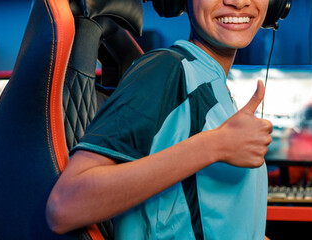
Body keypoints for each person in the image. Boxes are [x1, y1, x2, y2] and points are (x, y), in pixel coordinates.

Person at [46, 0, 273, 239]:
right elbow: (64, 206)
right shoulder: (166, 70)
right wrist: (216, 145)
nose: (238, 2)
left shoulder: (216, 88)